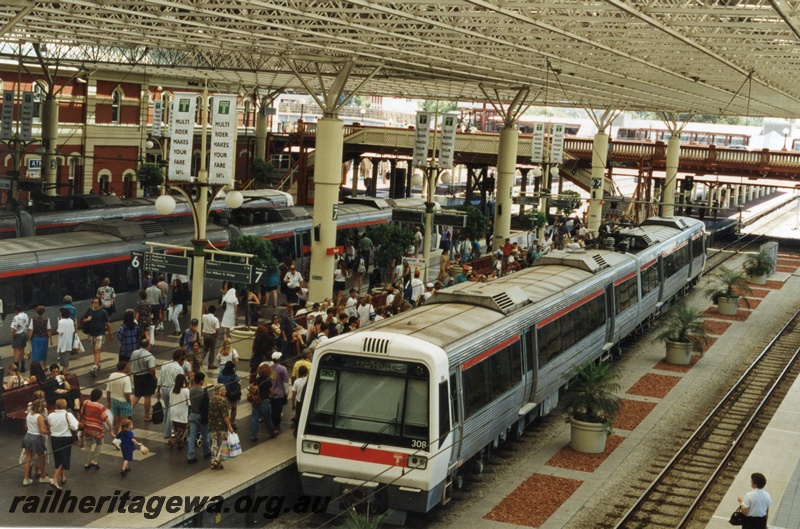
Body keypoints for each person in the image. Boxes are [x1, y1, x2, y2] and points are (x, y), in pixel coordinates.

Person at [47, 398, 79, 491]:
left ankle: (63, 476)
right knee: (63, 459)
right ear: (65, 406)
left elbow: (49, 426)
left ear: (56, 406)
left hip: (54, 438)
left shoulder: (51, 415)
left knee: (57, 457)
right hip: (66, 438)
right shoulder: (68, 415)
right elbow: (75, 426)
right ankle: (55, 479)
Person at [81, 388, 113, 471]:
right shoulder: (100, 406)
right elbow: (105, 418)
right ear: (99, 397)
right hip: (97, 429)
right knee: (100, 443)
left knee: (88, 445)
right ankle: (94, 460)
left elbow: (81, 413)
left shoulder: (86, 402)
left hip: (87, 427)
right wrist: (110, 427)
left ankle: (86, 462)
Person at [22, 390, 50, 486]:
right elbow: (42, 430)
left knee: (28, 458)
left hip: (27, 437)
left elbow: (26, 426)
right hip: (36, 438)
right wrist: (50, 432)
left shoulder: (29, 414)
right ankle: (42, 476)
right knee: (42, 457)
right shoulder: (39, 416)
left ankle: (26, 479)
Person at [81, 297, 113, 377]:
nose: (94, 304)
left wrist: (110, 333)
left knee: (97, 350)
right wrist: (87, 320)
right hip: (91, 334)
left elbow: (107, 323)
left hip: (100, 333)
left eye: (96, 303)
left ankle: (94, 367)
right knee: (94, 351)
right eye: (93, 302)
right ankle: (97, 364)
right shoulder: (89, 311)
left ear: (99, 304)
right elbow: (82, 320)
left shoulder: (103, 312)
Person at [157, 350, 185, 439]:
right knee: (171, 410)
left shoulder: (165, 364)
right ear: (180, 358)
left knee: (168, 408)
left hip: (164, 388)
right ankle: (167, 432)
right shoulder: (179, 368)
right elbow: (181, 381)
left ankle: (167, 427)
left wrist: (158, 390)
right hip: (173, 389)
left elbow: (160, 377)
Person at [208, 384, 235, 470]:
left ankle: (213, 461)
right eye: (224, 390)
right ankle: (217, 460)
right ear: (220, 391)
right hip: (222, 426)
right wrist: (230, 426)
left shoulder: (211, 400)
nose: (226, 391)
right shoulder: (222, 401)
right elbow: (225, 416)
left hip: (213, 425)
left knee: (214, 443)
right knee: (225, 442)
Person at [130, 338, 157, 422]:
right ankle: (146, 416)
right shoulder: (149, 356)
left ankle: (126, 413)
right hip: (146, 377)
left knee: (137, 395)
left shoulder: (134, 352)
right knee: (147, 396)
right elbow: (152, 369)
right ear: (148, 345)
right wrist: (154, 377)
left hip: (136, 376)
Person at [187, 372, 212, 464]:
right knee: (205, 434)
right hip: (202, 416)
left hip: (193, 414)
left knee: (192, 436)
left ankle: (190, 456)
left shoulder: (191, 390)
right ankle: (206, 451)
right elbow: (207, 404)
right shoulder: (204, 391)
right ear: (201, 381)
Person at [249, 363, 276, 442]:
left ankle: (253, 436)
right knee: (267, 418)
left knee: (254, 418)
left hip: (256, 400)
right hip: (264, 401)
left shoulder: (256, 380)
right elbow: (271, 392)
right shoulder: (268, 382)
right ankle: (272, 432)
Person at [106, 361, 132, 433]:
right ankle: (123, 435)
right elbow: (126, 393)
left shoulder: (112, 375)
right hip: (123, 401)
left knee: (116, 419)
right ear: (125, 368)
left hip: (113, 400)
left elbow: (108, 391)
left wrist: (108, 402)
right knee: (125, 421)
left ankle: (117, 435)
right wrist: (129, 401)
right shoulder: (126, 378)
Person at [168, 374, 190, 450]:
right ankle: (173, 440)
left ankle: (179, 444)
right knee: (182, 430)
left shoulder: (172, 390)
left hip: (173, 411)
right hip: (182, 412)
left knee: (177, 429)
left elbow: (170, 401)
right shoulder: (186, 391)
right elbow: (189, 402)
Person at [270, 352, 290, 432]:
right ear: (279, 359)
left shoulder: (270, 368)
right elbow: (285, 383)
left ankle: (272, 424)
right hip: (279, 394)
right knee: (278, 411)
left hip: (271, 392)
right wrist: (286, 394)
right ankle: (276, 426)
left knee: (272, 410)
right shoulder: (283, 369)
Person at [28, 305, 52, 371]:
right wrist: (51, 339)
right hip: (44, 338)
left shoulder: (33, 319)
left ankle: (36, 367)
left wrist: (29, 338)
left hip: (35, 338)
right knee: (44, 352)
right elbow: (48, 330)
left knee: (35, 353)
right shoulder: (47, 319)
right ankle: (44, 366)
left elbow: (31, 330)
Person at [56, 307, 76, 374]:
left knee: (63, 355)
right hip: (69, 340)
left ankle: (65, 370)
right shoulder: (71, 321)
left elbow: (60, 331)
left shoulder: (61, 322)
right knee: (66, 355)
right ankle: (65, 368)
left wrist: (57, 330)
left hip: (62, 340)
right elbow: (73, 330)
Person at [291, 365, 309, 438]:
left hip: (299, 401)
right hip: (306, 401)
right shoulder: (308, 380)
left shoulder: (296, 381)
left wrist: (293, 404)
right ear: (306, 372)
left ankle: (297, 432)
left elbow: (293, 394)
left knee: (298, 417)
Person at [201, 305, 221, 370]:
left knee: (205, 348)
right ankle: (210, 364)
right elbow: (217, 329)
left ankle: (200, 361)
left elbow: (202, 324)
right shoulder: (215, 319)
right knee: (212, 350)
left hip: (205, 334)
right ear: (214, 311)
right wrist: (216, 335)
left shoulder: (204, 316)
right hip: (212, 335)